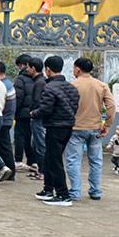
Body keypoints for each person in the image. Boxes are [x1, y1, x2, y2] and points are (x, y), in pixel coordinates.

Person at [31, 56, 79, 205]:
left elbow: (46, 108)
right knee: (50, 158)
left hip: (55, 126)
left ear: (48, 70)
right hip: (67, 126)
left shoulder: (50, 87)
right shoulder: (71, 87)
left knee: (55, 160)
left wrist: (34, 113)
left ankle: (63, 194)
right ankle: (48, 189)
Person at [66, 57, 115, 201]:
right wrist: (107, 125)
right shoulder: (101, 85)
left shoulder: (72, 85)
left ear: (78, 69)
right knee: (95, 161)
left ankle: (75, 192)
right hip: (95, 128)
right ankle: (95, 191)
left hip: (76, 128)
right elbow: (111, 106)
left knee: (73, 160)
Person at [13, 55, 38, 169]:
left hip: (22, 113)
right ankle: (32, 160)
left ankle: (18, 160)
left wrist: (15, 111)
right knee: (30, 137)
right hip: (34, 112)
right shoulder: (37, 78)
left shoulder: (20, 79)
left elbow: (18, 97)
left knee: (19, 136)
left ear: (22, 65)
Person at [25, 57, 48, 179]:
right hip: (36, 117)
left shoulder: (40, 83)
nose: (27, 69)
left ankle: (43, 172)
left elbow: (39, 102)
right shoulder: (39, 81)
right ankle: (39, 169)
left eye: (28, 67)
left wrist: (33, 113)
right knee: (35, 144)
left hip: (38, 118)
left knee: (40, 145)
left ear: (33, 68)